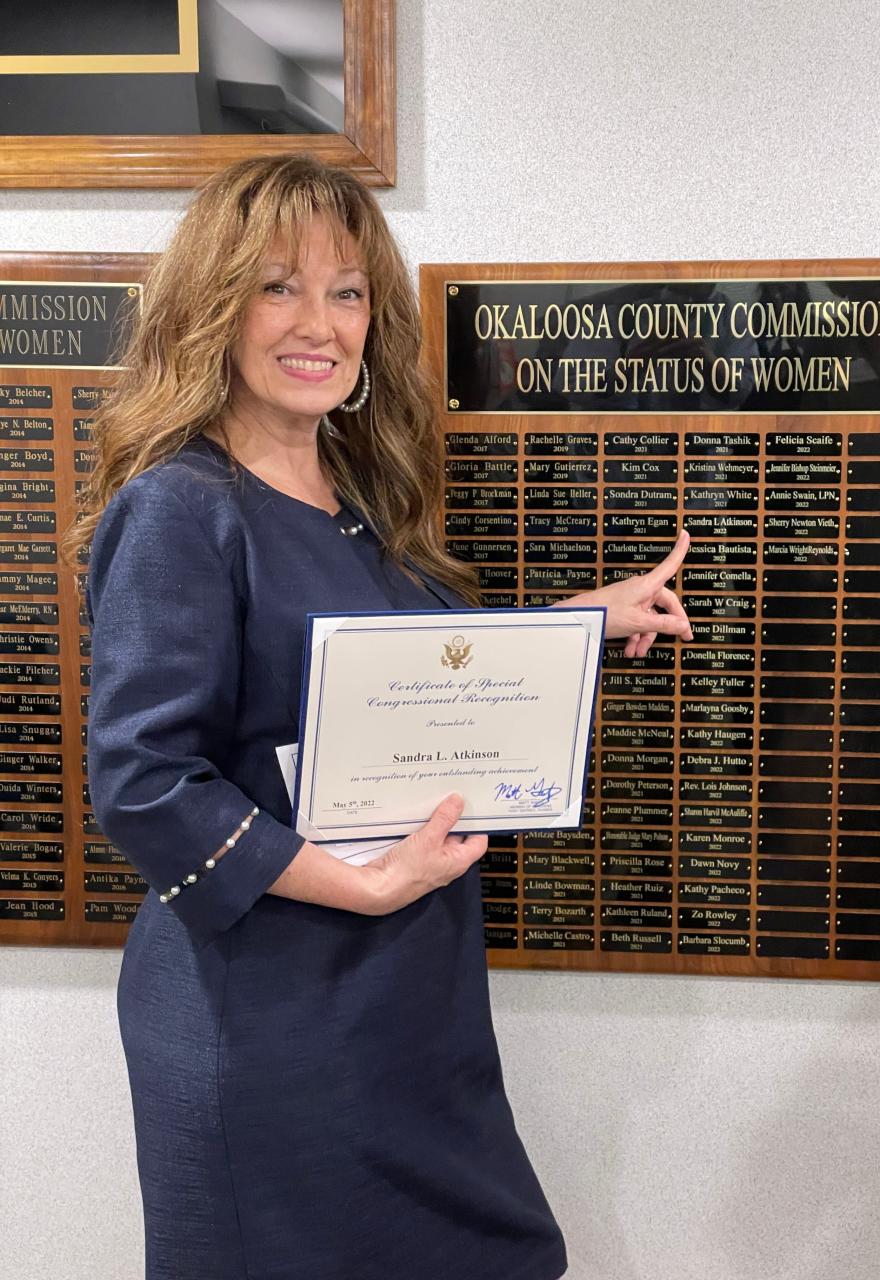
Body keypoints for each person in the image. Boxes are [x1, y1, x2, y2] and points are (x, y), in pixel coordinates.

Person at [67, 153, 693, 1280]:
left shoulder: (354, 501)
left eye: (346, 291)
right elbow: (146, 781)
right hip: (270, 1012)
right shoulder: (179, 505)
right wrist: (359, 881)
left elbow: (411, 681)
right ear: (211, 304)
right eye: (277, 285)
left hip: (406, 1000)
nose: (320, 323)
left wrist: (577, 622)